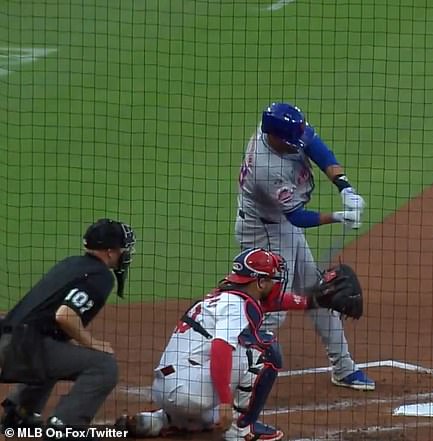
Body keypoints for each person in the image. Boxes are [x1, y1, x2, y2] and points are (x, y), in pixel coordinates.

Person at [115, 247, 364, 441]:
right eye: (272, 278)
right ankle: (243, 429)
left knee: (211, 419)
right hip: (187, 389)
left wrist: (313, 301)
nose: (277, 283)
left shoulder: (223, 297)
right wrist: (225, 400)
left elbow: (269, 303)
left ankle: (158, 421)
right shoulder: (237, 307)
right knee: (265, 348)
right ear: (259, 283)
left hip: (168, 387)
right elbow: (221, 349)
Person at [235, 101, 374, 390]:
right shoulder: (267, 167)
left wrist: (344, 187)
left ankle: (343, 367)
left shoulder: (283, 131)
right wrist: (337, 216)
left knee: (320, 292)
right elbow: (297, 217)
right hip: (264, 233)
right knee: (273, 309)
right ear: (273, 137)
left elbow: (316, 146)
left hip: (279, 226)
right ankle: (237, 374)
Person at [0, 218, 136, 439]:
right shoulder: (101, 276)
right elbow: (65, 315)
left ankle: (19, 414)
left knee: (58, 347)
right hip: (21, 348)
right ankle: (64, 428)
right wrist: (91, 343)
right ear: (110, 252)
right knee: (104, 365)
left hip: (9, 338)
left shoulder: (71, 263)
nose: (125, 254)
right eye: (123, 249)